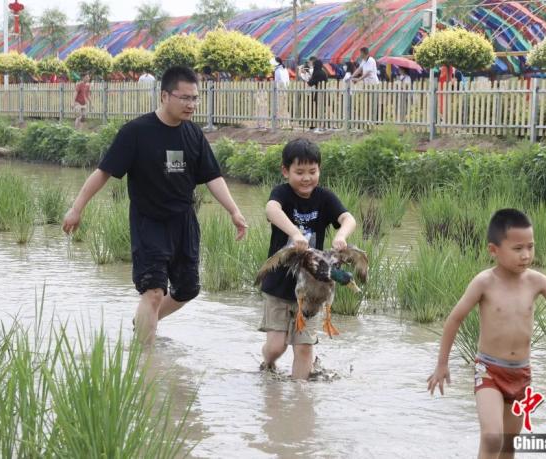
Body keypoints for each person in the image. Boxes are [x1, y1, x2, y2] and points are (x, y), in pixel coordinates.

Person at [62, 66, 248, 345]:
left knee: (188, 289)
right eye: (184, 98)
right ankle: (145, 360)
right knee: (153, 291)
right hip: (148, 221)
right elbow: (104, 172)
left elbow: (213, 176)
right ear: (164, 96)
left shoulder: (194, 134)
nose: (191, 104)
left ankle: (144, 322)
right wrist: (77, 208)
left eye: (195, 98)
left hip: (184, 221)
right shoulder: (136, 132)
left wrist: (234, 211)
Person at [427, 208, 546, 459]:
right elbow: (454, 319)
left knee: (508, 444)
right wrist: (442, 363)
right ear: (494, 250)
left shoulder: (536, 282)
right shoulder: (484, 282)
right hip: (489, 371)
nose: (526, 255)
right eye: (517, 249)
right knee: (492, 437)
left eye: (530, 246)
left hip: (521, 373)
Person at [259, 138, 356, 380]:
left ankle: (299, 396)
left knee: (304, 348)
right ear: (285, 171)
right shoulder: (282, 193)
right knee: (277, 347)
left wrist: (341, 236)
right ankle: (267, 364)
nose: (306, 178)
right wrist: (294, 234)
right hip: (279, 285)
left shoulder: (324, 198)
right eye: (299, 172)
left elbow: (348, 219)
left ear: (319, 170)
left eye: (312, 172)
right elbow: (271, 209)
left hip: (312, 289)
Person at [307, 59, 328, 132]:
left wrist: (308, 78)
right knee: (322, 110)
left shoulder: (316, 73)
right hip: (324, 93)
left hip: (318, 93)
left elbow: (310, 83)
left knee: (316, 110)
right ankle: (323, 124)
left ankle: (316, 125)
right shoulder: (323, 72)